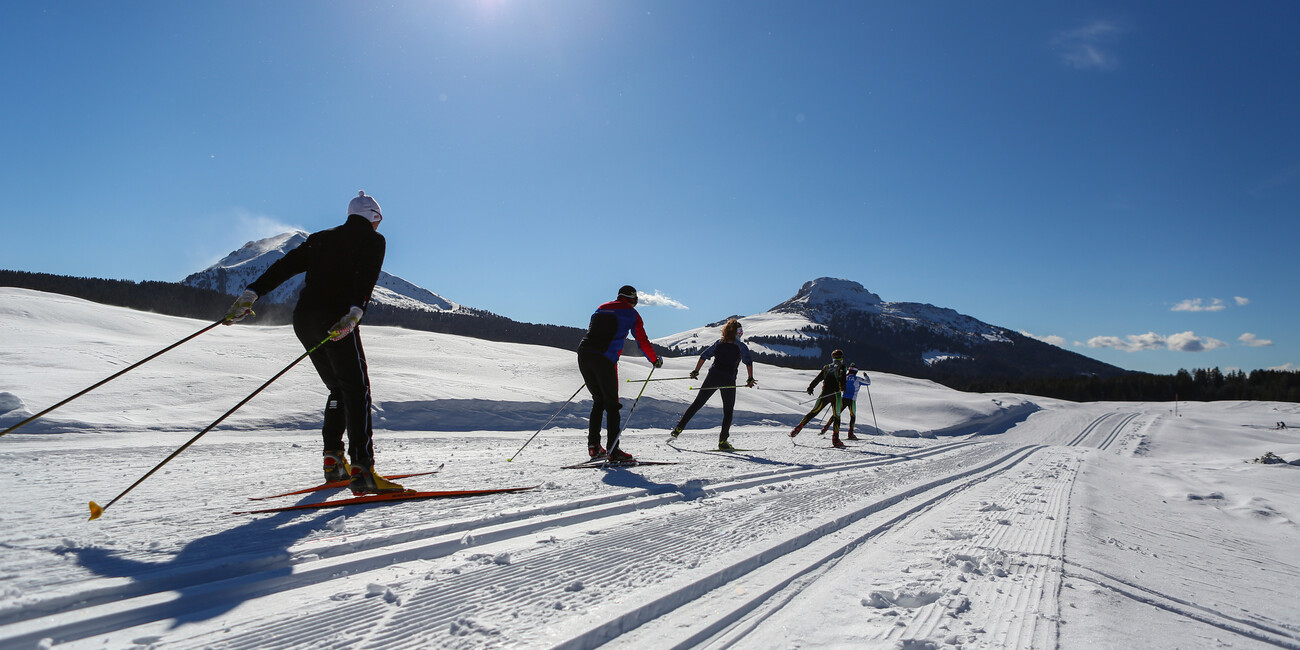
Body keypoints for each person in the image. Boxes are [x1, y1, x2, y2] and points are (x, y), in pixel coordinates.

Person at [223, 191, 405, 495]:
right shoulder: (374, 240)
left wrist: (251, 293)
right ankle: (363, 470)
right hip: (337, 320)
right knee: (357, 390)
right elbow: (366, 276)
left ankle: (333, 462)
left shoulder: (320, 238)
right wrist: (355, 312)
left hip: (304, 320)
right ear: (375, 217)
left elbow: (284, 267)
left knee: (339, 388)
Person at [576, 285, 663, 462]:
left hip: (583, 354)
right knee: (612, 405)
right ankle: (613, 451)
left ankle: (594, 447)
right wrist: (654, 360)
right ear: (633, 299)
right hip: (605, 359)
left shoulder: (600, 308)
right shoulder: (631, 313)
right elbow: (642, 340)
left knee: (598, 401)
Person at [668, 318, 756, 451]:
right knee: (728, 410)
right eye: (741, 331)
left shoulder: (719, 343)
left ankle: (678, 429)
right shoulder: (740, 346)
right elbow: (748, 362)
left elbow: (704, 356)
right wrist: (750, 378)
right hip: (728, 379)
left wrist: (696, 371)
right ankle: (722, 441)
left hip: (713, 377)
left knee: (697, 403)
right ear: (738, 333)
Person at [790, 349, 848, 448]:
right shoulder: (842, 367)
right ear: (841, 357)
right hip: (835, 394)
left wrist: (811, 387)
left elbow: (818, 378)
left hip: (824, 393)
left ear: (833, 357)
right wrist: (843, 386)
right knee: (836, 415)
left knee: (814, 411)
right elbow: (842, 375)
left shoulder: (826, 367)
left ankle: (797, 429)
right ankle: (835, 439)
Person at [819, 363, 870, 440]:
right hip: (852, 400)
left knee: (836, 414)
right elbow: (868, 382)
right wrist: (866, 375)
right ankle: (850, 434)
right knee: (852, 416)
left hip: (843, 399)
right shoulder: (858, 379)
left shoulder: (845, 377)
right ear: (856, 372)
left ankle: (825, 428)